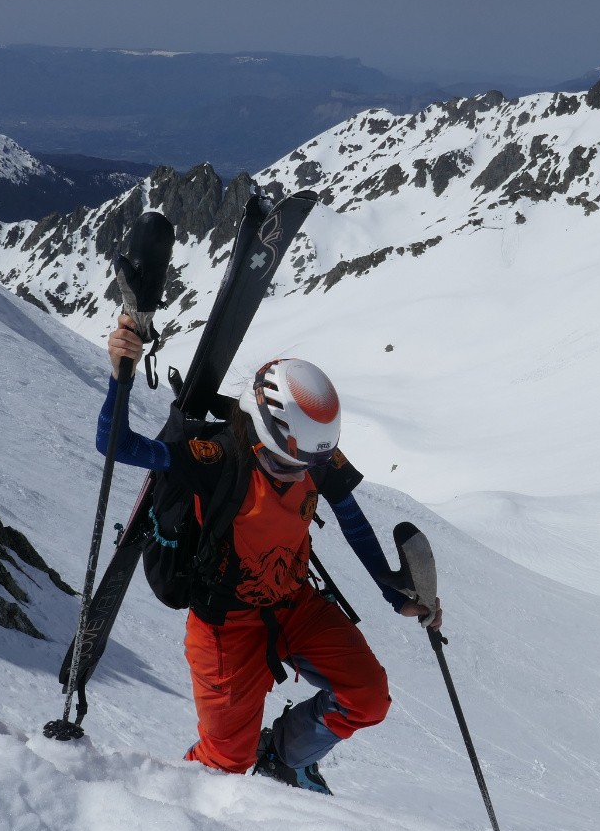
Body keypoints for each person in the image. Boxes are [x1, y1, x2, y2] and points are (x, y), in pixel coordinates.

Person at [98, 314, 442, 793]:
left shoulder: (309, 452)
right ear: (258, 429)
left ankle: (282, 756)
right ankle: (173, 805)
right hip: (225, 627)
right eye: (281, 461)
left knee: (367, 697)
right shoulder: (217, 458)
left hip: (295, 604)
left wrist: (395, 595)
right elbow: (114, 444)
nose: (292, 473)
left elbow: (353, 522)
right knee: (223, 767)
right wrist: (120, 376)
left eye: (304, 465)